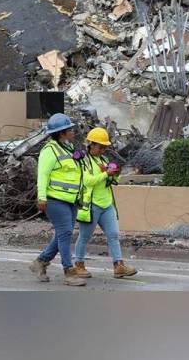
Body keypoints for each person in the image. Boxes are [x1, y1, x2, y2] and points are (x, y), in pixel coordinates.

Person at [28, 113, 86, 286]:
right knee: (65, 233)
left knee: (63, 234)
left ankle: (40, 262)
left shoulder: (66, 148)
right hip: (55, 200)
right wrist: (42, 198)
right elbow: (43, 176)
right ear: (62, 132)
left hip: (71, 200)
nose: (73, 131)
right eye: (70, 129)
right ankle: (69, 272)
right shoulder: (49, 151)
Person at [73, 127, 137, 279]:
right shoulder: (84, 161)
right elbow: (87, 181)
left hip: (107, 204)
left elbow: (111, 181)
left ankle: (119, 266)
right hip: (91, 205)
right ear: (91, 145)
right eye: (100, 147)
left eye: (104, 147)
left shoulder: (104, 160)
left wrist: (115, 175)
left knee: (113, 235)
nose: (102, 150)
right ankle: (79, 265)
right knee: (84, 236)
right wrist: (105, 174)